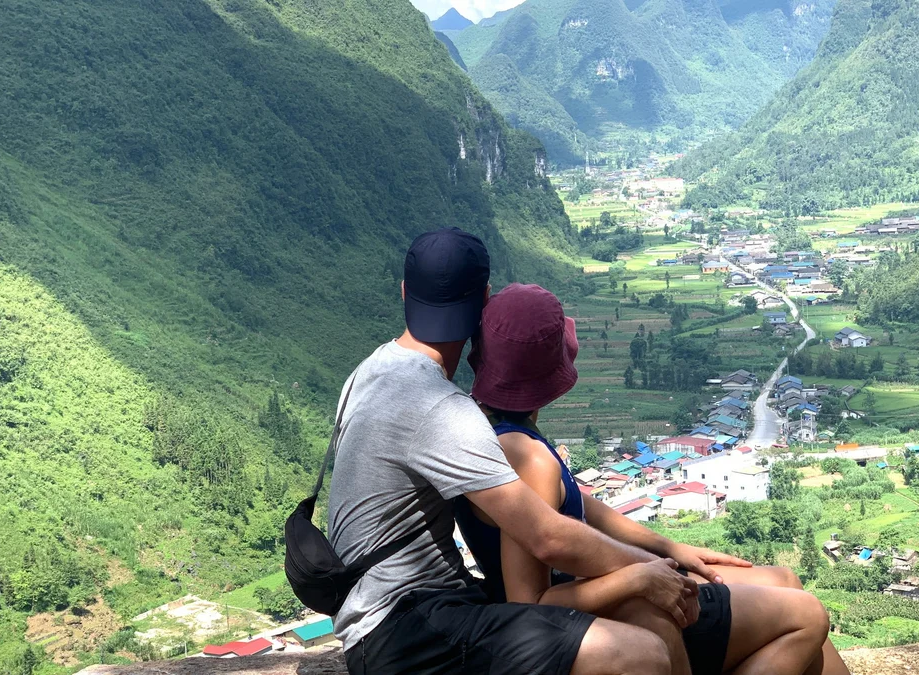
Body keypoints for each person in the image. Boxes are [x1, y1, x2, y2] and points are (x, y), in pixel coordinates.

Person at [326, 229, 692, 675]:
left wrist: (656, 554)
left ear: (404, 292)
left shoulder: (369, 370)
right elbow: (548, 536)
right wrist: (653, 569)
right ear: (485, 301)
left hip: (392, 617)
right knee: (640, 653)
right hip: (404, 629)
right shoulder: (441, 408)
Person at [458, 283, 851, 675]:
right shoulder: (525, 457)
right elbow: (528, 606)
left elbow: (580, 505)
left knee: (784, 579)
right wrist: (636, 578)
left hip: (613, 586)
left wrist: (670, 547)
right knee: (807, 616)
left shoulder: (499, 433)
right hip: (610, 608)